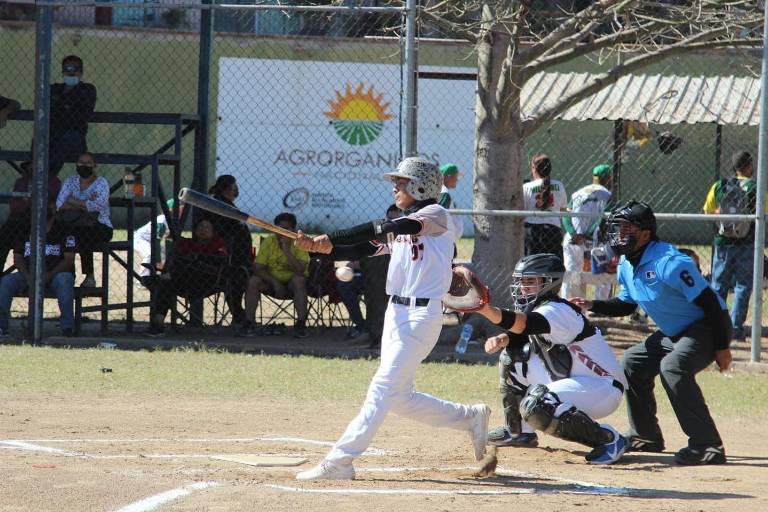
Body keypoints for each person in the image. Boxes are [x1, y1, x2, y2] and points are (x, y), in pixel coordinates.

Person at [293, 156, 490, 481]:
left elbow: (390, 226)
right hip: (396, 315)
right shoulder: (403, 227)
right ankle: (469, 418)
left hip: (420, 315)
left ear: (420, 185)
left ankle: (340, 461)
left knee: (381, 389)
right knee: (399, 397)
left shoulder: (435, 215)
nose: (396, 187)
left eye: (401, 182)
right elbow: (361, 249)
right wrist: (317, 247)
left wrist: (332, 235)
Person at [570, 201, 732, 465]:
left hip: (709, 326)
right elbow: (626, 304)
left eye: (625, 229)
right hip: (676, 331)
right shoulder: (626, 263)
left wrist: (722, 347)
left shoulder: (670, 262)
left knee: (673, 367)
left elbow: (711, 304)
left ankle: (707, 445)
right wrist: (591, 305)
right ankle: (646, 435)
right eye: (616, 229)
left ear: (645, 233)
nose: (617, 235)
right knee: (633, 362)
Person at [475, 253, 628, 464]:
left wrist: (485, 310)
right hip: (572, 380)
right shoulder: (546, 309)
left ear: (549, 283)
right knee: (512, 358)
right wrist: (504, 338)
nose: (522, 288)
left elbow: (526, 324)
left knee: (537, 404)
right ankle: (519, 432)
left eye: (530, 281)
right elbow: (523, 333)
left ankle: (609, 439)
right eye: (521, 282)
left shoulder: (558, 310)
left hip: (602, 388)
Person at [703, 151, 758, 341]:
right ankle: (735, 328)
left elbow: (707, 210)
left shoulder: (720, 185)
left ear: (734, 168)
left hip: (723, 242)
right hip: (747, 241)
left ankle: (716, 326)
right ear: (749, 166)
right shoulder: (755, 187)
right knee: (743, 285)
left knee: (718, 283)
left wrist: (723, 224)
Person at [0, 202, 76, 338]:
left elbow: (69, 260)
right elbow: (18, 258)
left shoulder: (64, 229)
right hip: (28, 274)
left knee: (65, 279)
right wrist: (28, 276)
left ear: (54, 208)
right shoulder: (25, 229)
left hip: (56, 275)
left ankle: (67, 328)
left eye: (48, 205)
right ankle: (1, 327)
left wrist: (49, 275)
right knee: (6, 282)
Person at [147, 219, 229, 337]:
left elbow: (218, 260)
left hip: (207, 282)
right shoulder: (187, 243)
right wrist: (196, 258)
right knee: (166, 284)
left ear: (213, 232)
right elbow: (177, 258)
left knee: (175, 274)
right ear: (195, 231)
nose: (203, 230)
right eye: (200, 227)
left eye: (207, 228)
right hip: (183, 282)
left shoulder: (218, 244)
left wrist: (196, 258)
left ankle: (164, 277)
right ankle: (158, 323)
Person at [244, 212, 310, 338]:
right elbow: (258, 268)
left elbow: (300, 270)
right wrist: (275, 282)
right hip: (271, 283)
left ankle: (301, 324)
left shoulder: (301, 243)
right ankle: (248, 323)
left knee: (299, 280)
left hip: (292, 285)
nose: (282, 232)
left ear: (294, 230)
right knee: (253, 281)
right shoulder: (269, 242)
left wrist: (286, 249)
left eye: (286, 229)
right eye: (278, 229)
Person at [201, 175, 252, 328]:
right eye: (233, 189)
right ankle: (238, 314)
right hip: (227, 257)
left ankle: (238, 314)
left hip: (233, 256)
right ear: (225, 189)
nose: (236, 192)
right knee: (235, 277)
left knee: (235, 278)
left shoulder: (218, 202)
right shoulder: (221, 205)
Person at [55, 152, 113, 287]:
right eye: (81, 162)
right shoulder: (70, 181)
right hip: (73, 225)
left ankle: (89, 277)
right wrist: (86, 204)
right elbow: (59, 205)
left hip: (100, 225)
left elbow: (100, 204)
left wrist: (72, 201)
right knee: (66, 235)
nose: (84, 165)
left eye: (88, 163)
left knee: (82, 234)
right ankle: (68, 275)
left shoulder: (101, 183)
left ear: (94, 166)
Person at [561, 163, 613, 299]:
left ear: (593, 177)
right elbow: (601, 217)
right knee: (602, 273)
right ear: (608, 178)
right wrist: (586, 235)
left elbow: (566, 216)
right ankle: (600, 306)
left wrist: (574, 233)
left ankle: (567, 302)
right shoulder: (607, 194)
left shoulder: (578, 192)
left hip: (573, 240)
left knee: (571, 273)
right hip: (593, 239)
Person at [0, 161, 62, 268]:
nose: (34, 168)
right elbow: (15, 206)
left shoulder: (53, 182)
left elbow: (52, 204)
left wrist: (27, 200)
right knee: (5, 234)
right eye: (32, 165)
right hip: (22, 218)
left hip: (46, 219)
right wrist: (32, 202)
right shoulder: (21, 182)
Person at [48, 55, 97, 175]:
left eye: (74, 68)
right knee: (40, 137)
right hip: (53, 137)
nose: (71, 72)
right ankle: (41, 176)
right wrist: (69, 106)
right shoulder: (54, 89)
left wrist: (61, 106)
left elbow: (83, 114)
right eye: (67, 68)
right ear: (62, 71)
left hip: (75, 139)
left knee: (69, 137)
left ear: (81, 72)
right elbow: (47, 109)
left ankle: (46, 177)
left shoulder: (87, 89)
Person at [523, 154, 567, 258]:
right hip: (553, 231)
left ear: (534, 168)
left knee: (532, 265)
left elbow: (523, 210)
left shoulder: (527, 187)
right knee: (551, 265)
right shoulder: (559, 185)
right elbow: (563, 209)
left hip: (532, 232)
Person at [135, 199, 184, 278]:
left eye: (182, 208)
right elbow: (157, 239)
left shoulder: (174, 221)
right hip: (141, 239)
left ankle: (158, 276)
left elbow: (168, 240)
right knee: (151, 254)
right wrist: (158, 259)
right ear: (171, 210)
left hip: (151, 240)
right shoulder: (162, 220)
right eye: (179, 208)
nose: (181, 210)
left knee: (166, 257)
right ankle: (142, 279)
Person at [438, 162, 465, 241]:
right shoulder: (444, 193)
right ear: (448, 177)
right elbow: (438, 216)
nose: (457, 180)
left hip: (447, 238)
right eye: (455, 176)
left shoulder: (443, 192)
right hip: (444, 239)